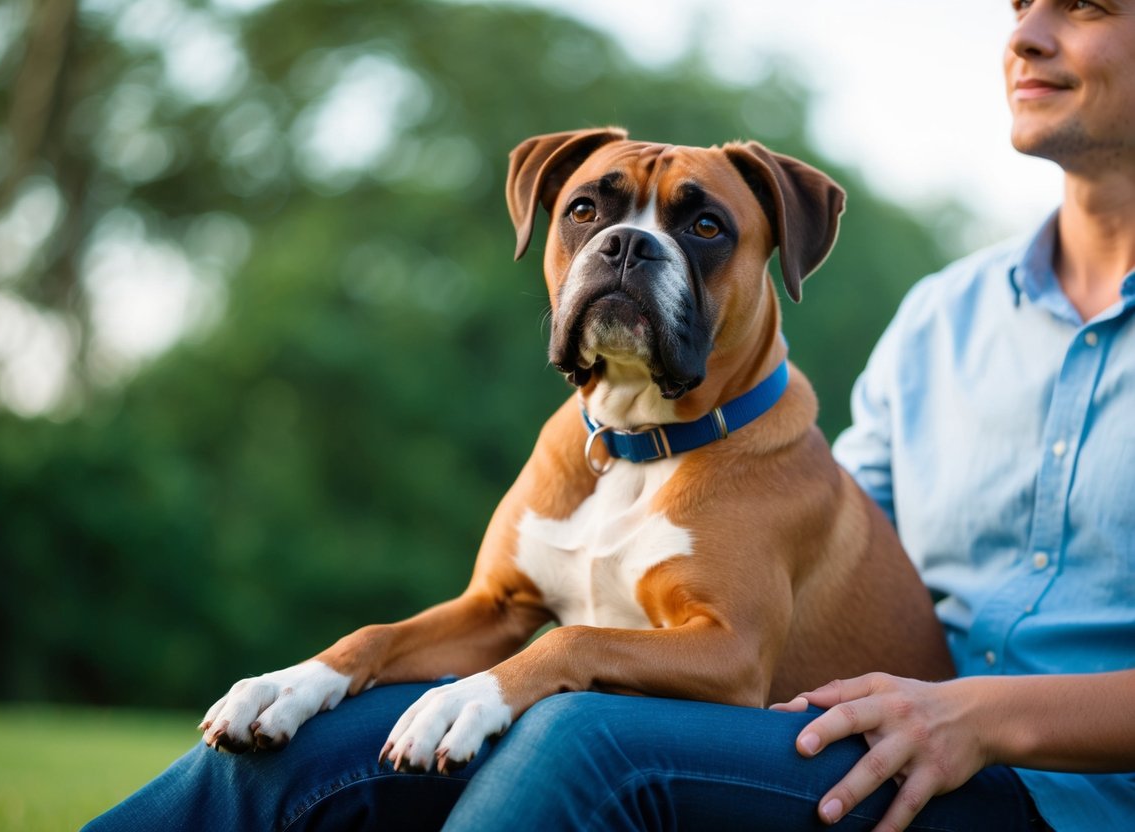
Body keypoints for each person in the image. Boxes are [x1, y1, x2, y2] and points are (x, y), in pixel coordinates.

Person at [85, 1, 1135, 829]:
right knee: (318, 748)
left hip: (1025, 791)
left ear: (780, 257)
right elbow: (824, 537)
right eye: (590, 215)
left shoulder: (765, 438)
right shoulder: (939, 321)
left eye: (1083, 4)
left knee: (580, 733)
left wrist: (985, 715)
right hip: (861, 744)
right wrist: (347, 663)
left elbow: (730, 643)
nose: (1025, 34)